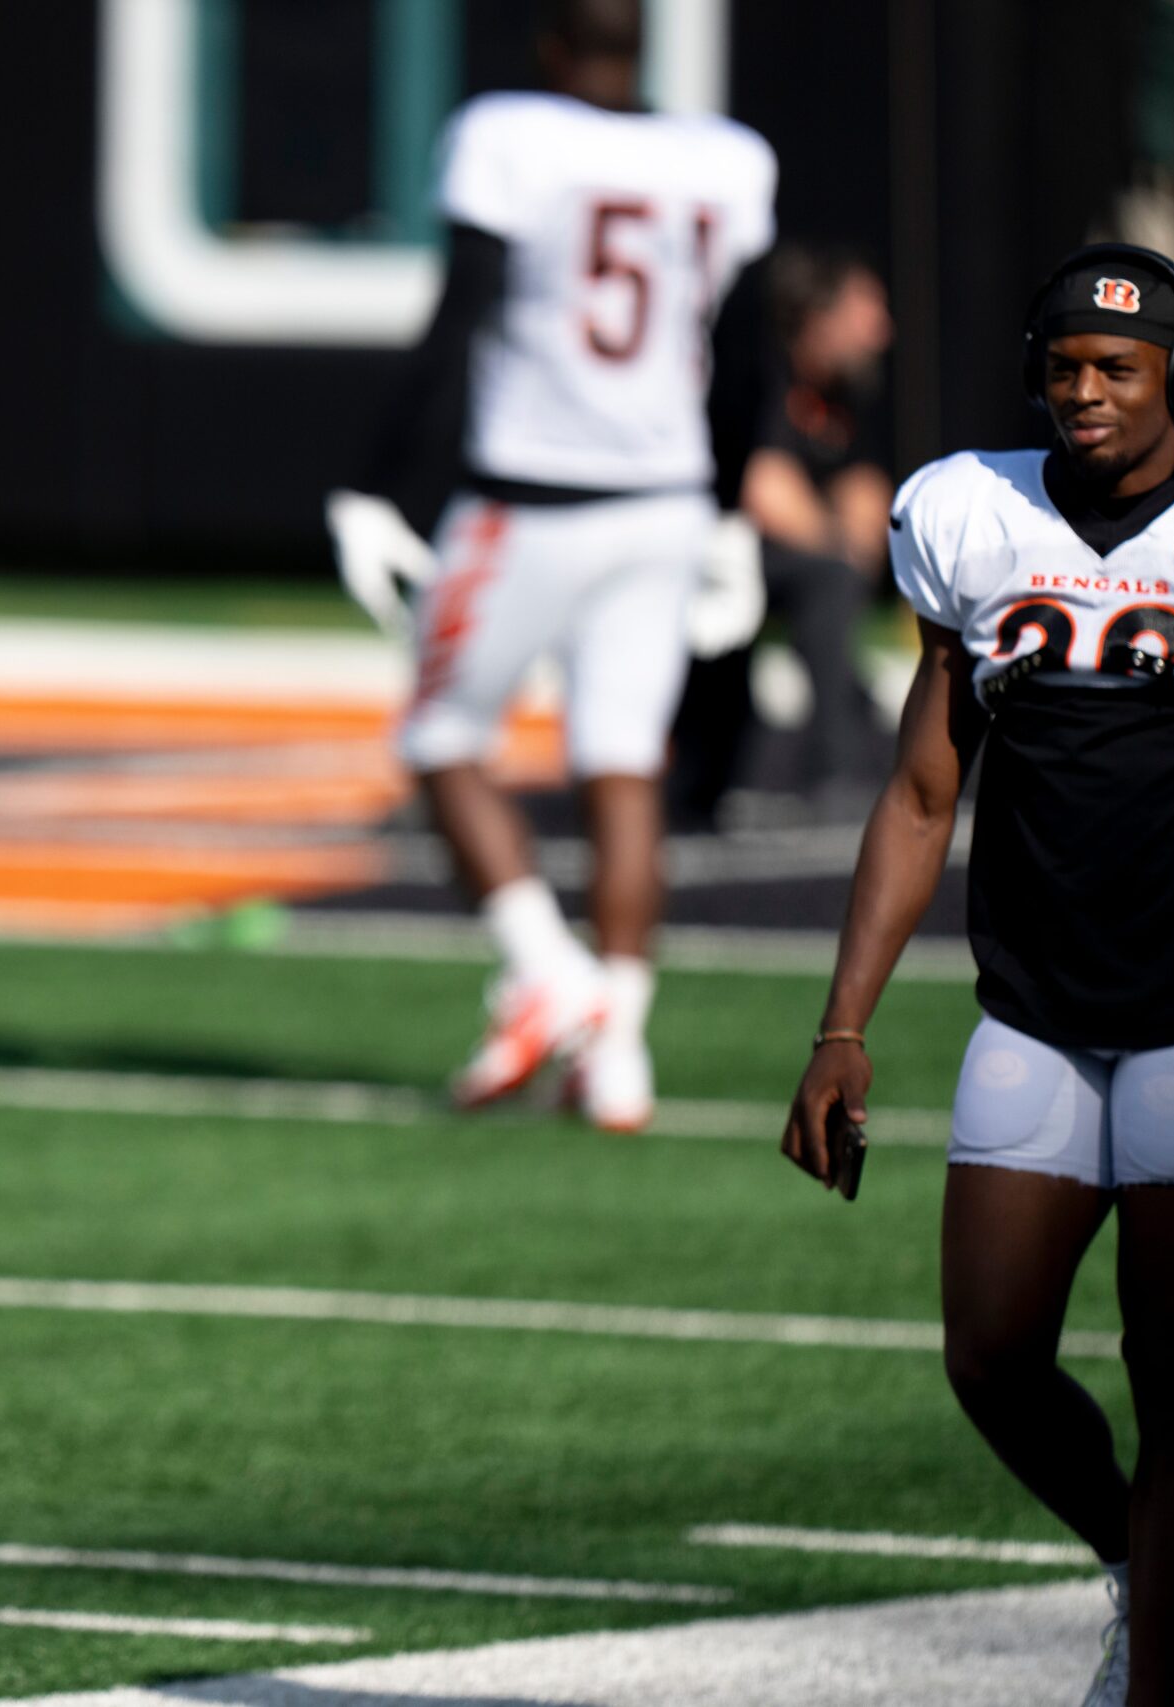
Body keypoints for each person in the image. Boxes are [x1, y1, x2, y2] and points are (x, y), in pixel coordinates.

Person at [784, 244, 1174, 1707]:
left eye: (1117, 369)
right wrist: (842, 1021)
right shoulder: (968, 514)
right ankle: (1152, 1558)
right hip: (1038, 1006)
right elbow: (925, 795)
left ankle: (1154, 1677)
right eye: (1064, 368)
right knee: (990, 1352)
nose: (1087, 394)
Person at [326, 0, 778, 1129]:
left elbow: (460, 316)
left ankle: (548, 973)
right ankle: (618, 1048)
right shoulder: (722, 159)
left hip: (531, 495)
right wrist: (726, 509)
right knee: (622, 766)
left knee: (438, 739)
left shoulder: (509, 137)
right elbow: (746, 354)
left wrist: (379, 483)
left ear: (548, 45)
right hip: (666, 497)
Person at [671, 244, 897, 819]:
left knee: (833, 574)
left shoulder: (846, 389)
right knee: (828, 574)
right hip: (707, 548)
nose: (882, 331)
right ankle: (730, 768)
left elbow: (868, 496)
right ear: (820, 320)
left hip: (772, 555)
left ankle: (838, 760)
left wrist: (848, 533)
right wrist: (836, 537)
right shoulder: (763, 371)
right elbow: (763, 489)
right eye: (865, 313)